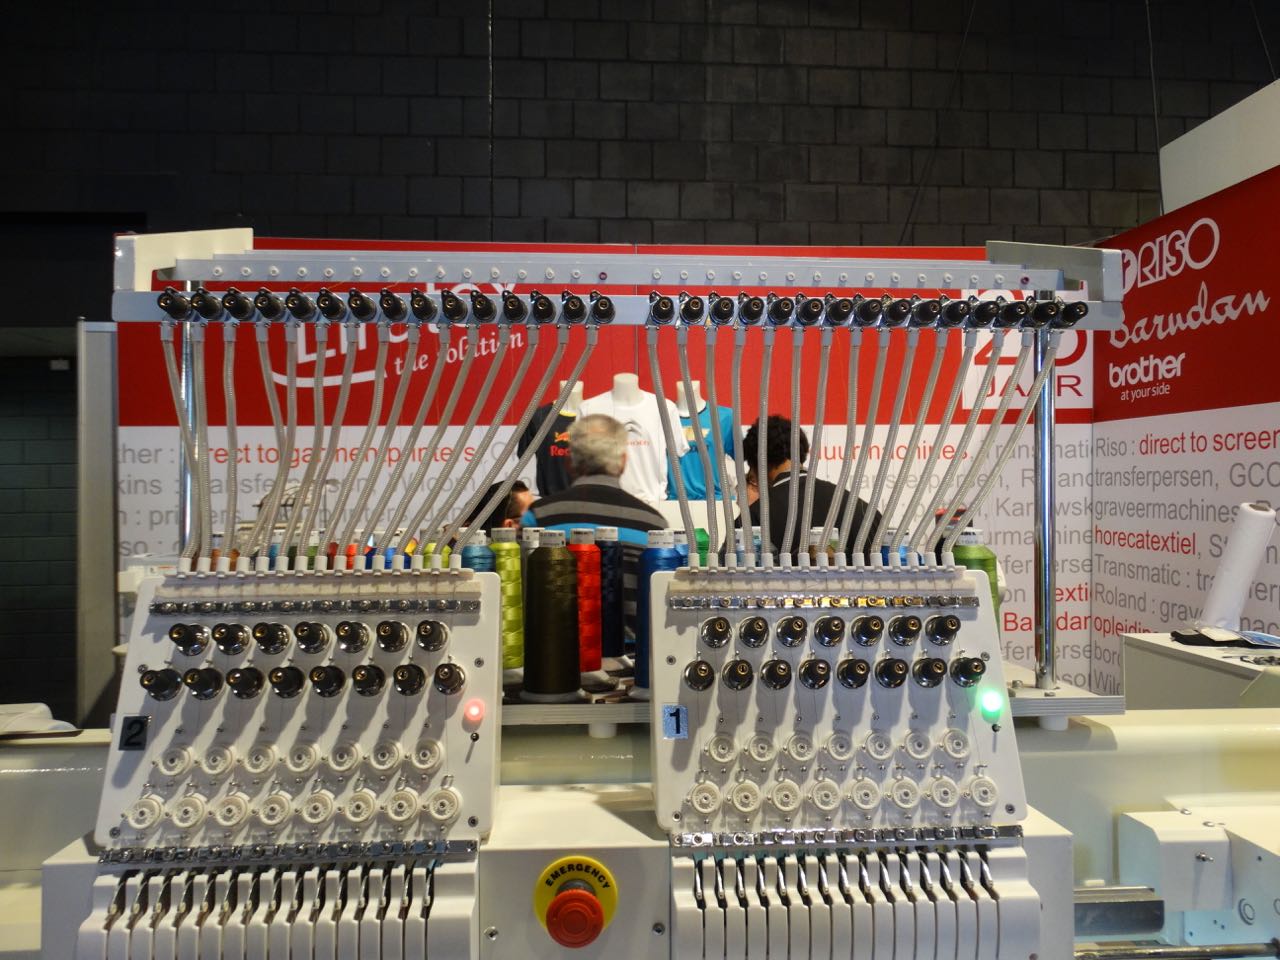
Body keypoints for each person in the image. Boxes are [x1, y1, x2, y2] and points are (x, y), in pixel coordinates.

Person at [523, 414, 667, 634]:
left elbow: (520, 595)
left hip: (551, 652)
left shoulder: (538, 517)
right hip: (633, 654)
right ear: (623, 462)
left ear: (568, 462)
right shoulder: (653, 526)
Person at [736, 415, 882, 563]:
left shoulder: (752, 518)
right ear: (801, 451)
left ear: (757, 463)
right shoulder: (861, 509)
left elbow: (730, 569)